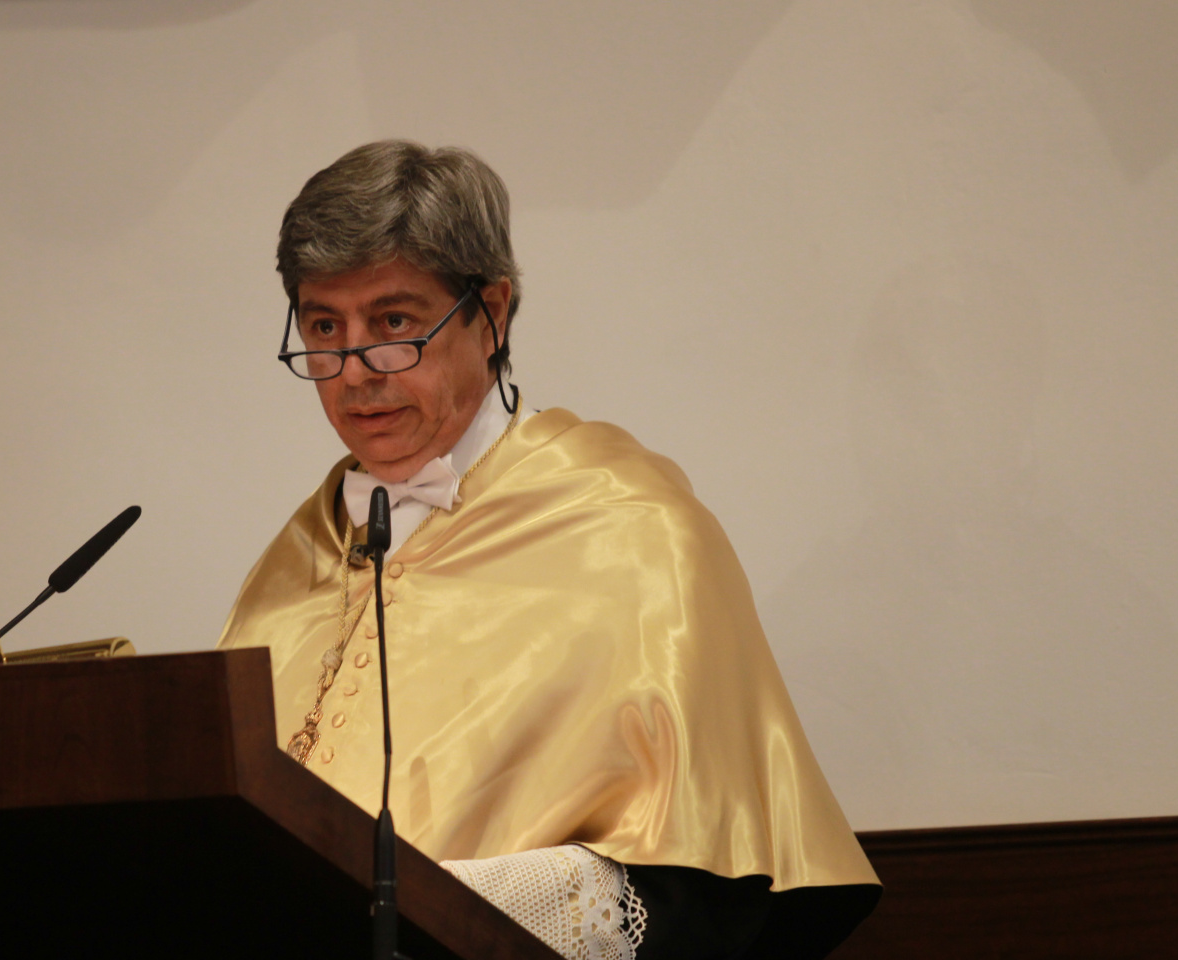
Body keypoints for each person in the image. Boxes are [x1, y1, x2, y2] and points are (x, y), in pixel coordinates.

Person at [217, 140, 880, 960]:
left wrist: (485, 899)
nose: (355, 372)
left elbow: (711, 893)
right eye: (325, 328)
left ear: (490, 313)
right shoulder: (297, 554)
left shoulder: (631, 527)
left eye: (393, 322)